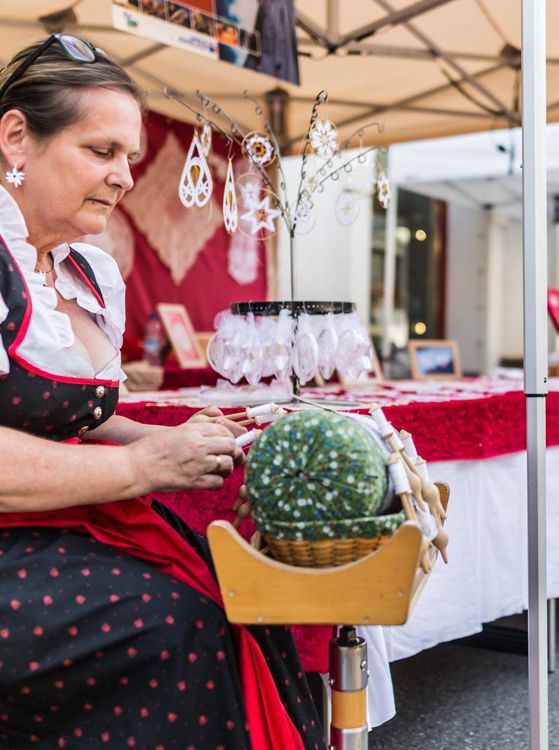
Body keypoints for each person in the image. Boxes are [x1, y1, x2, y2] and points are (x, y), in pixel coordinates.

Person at [0, 34, 324, 749]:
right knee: (178, 623)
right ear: (17, 137)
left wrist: (206, 440)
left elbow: (73, 422)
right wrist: (139, 468)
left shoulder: (85, 274)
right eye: (101, 151)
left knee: (238, 597)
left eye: (129, 158)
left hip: (65, 523)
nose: (123, 176)